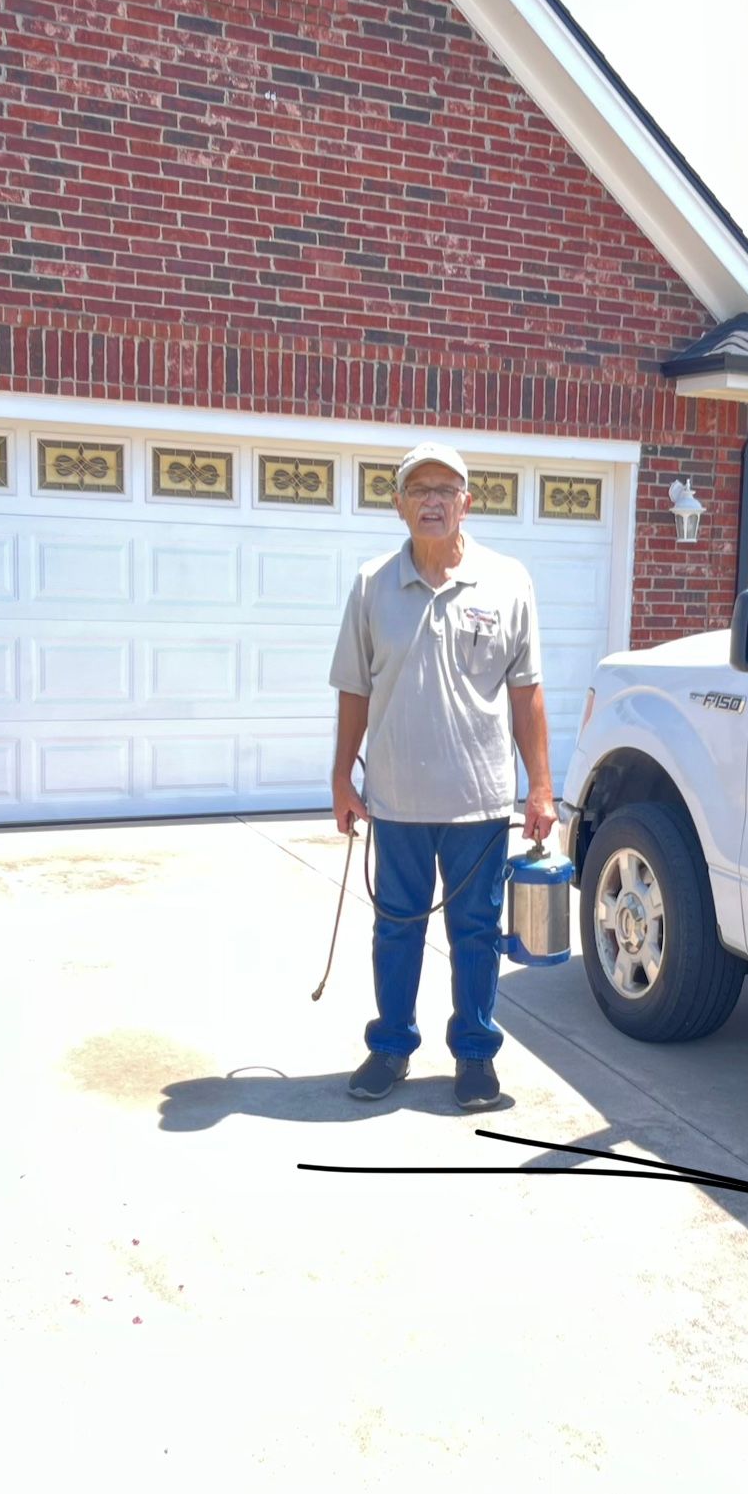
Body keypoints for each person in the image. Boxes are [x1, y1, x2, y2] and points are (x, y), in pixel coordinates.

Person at [327, 442, 556, 1110]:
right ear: (398, 505)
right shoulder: (372, 585)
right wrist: (343, 778)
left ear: (467, 502)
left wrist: (540, 787)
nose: (432, 500)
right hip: (395, 799)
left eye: (445, 489)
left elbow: (527, 693)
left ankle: (476, 1056)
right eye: (418, 489)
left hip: (479, 801)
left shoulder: (508, 580)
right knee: (395, 929)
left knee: (476, 935)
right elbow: (352, 690)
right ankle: (392, 1046)